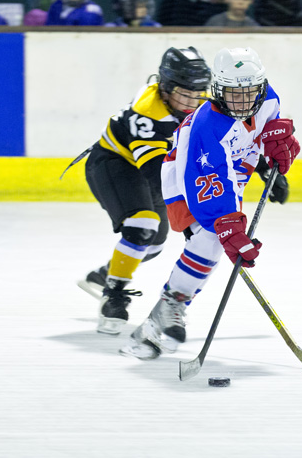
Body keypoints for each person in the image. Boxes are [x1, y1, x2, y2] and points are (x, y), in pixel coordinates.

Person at [120, 47, 300, 360]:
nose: (244, 102)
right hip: (186, 176)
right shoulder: (206, 128)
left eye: (250, 93)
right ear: (217, 90)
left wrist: (274, 155)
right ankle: (170, 307)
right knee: (210, 240)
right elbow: (207, 177)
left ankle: (154, 325)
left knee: (214, 242)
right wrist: (227, 224)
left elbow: (264, 131)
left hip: (233, 169)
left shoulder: (268, 97)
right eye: (234, 94)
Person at [77, 47, 212, 335]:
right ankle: (112, 295)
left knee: (152, 246)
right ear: (164, 88)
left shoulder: (201, 103)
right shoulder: (148, 113)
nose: (191, 102)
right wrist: (189, 214)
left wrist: (262, 163)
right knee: (142, 225)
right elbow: (156, 175)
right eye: (183, 93)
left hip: (153, 169)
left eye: (198, 93)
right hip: (114, 163)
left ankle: (104, 275)